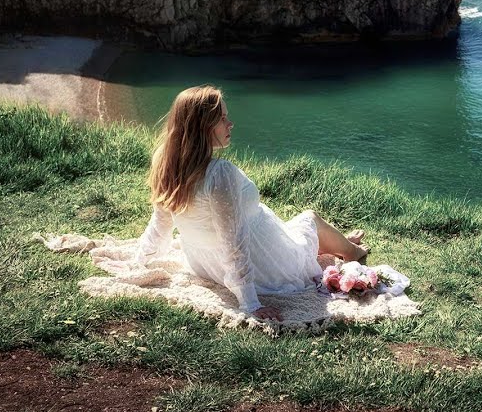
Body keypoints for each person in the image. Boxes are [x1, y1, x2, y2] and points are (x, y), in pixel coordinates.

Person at [136, 85, 369, 322]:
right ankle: (353, 251)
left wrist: (141, 259)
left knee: (302, 231)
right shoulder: (218, 173)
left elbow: (161, 221)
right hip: (266, 266)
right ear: (203, 126)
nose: (230, 124)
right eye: (223, 118)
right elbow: (233, 240)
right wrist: (249, 302)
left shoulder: (166, 160)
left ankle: (333, 245)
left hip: (205, 264)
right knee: (310, 218)